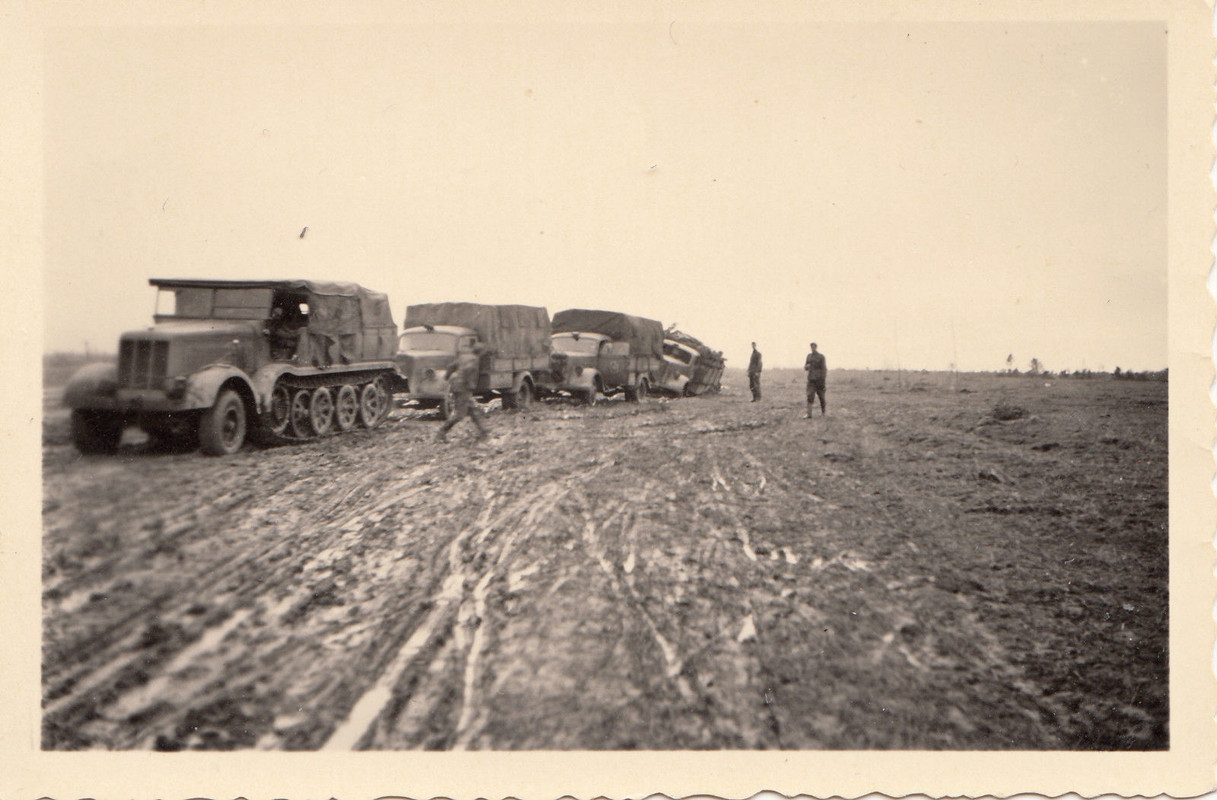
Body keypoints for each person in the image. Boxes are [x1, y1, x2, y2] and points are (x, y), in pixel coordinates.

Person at [436, 343, 488, 443]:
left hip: (457, 385)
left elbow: (451, 366)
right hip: (463, 387)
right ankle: (441, 432)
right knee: (460, 414)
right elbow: (469, 370)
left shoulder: (464, 357)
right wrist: (470, 385)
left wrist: (447, 377)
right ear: (481, 352)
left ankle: (483, 432)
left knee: (473, 410)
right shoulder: (474, 359)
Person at [804, 342, 827, 417]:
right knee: (809, 396)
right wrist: (807, 367)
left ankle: (823, 413)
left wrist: (823, 380)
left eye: (813, 347)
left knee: (821, 397)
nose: (812, 348)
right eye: (811, 347)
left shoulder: (821, 357)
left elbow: (824, 369)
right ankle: (809, 414)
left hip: (819, 380)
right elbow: (805, 367)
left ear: (816, 347)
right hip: (811, 380)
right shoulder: (809, 356)